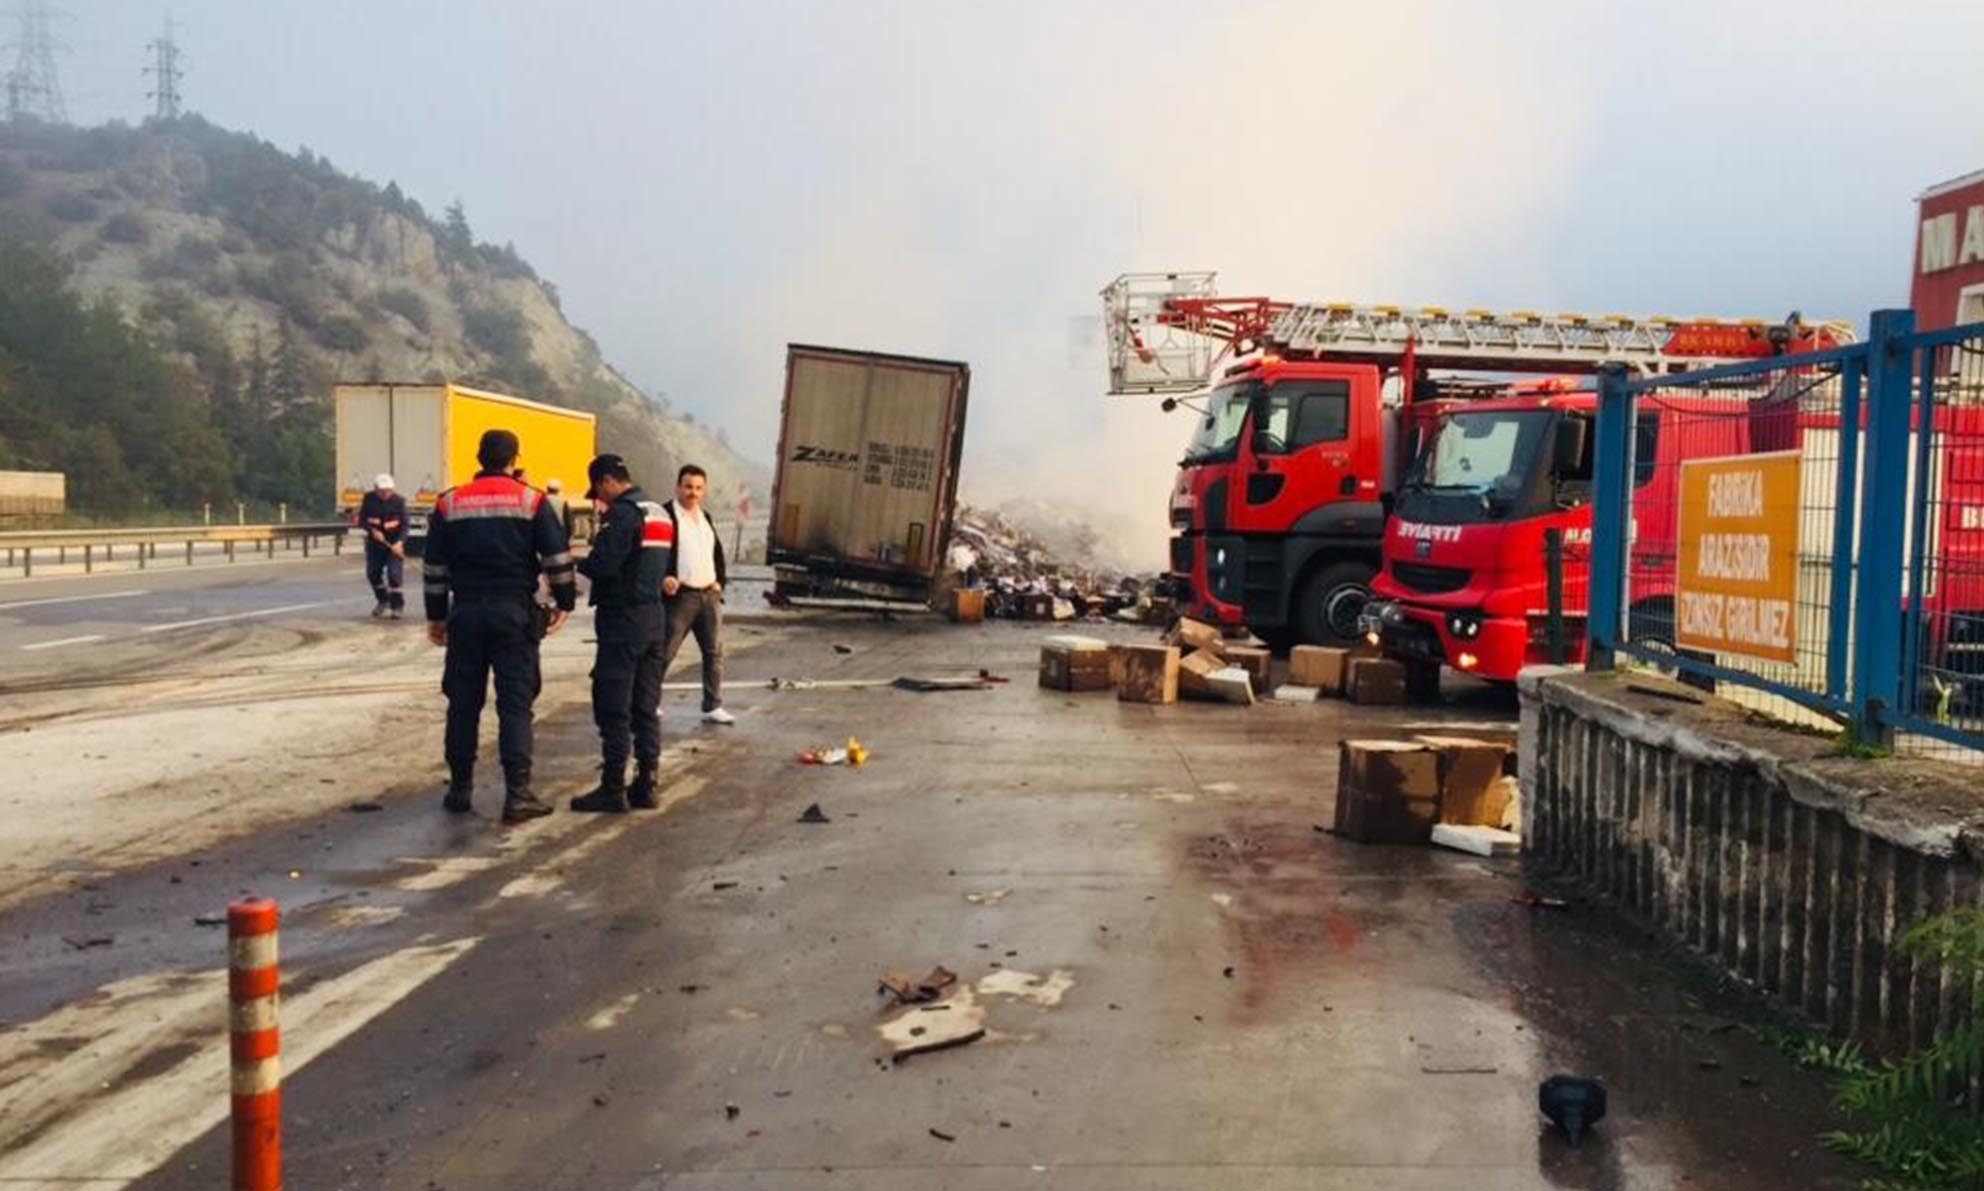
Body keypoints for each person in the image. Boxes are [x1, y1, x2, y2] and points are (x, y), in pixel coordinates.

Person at [422, 429, 576, 823]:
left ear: (479, 457)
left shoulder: (450, 503)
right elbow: (557, 558)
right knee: (515, 705)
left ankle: (460, 790)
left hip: (467, 612)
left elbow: (434, 568)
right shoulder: (531, 499)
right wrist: (565, 603)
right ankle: (518, 794)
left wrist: (436, 616)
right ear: (514, 459)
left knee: (462, 703)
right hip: (514, 614)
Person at [570, 454, 671, 813]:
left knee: (614, 703)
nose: (601, 499)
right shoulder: (659, 511)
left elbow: (605, 563)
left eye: (599, 491)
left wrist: (579, 561)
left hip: (623, 622)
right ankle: (647, 784)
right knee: (646, 704)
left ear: (607, 481)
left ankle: (612, 787)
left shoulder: (625, 513)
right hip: (655, 620)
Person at [660, 463, 732, 725]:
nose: (693, 492)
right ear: (678, 486)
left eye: (699, 488)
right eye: (688, 486)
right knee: (665, 652)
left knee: (714, 653)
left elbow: (717, 554)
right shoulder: (666, 515)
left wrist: (720, 582)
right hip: (681, 598)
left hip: (709, 597)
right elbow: (657, 553)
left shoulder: (705, 518)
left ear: (704, 490)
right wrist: (664, 577)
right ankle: (649, 701)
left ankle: (713, 705)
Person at [359, 474, 409, 619]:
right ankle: (383, 600)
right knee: (372, 573)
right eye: (382, 491)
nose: (385, 494)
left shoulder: (399, 502)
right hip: (376, 544)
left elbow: (405, 525)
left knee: (394, 574)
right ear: (375, 489)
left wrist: (399, 543)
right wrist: (372, 531)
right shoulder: (369, 499)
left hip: (394, 544)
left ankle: (397, 606)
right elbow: (362, 520)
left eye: (388, 491)